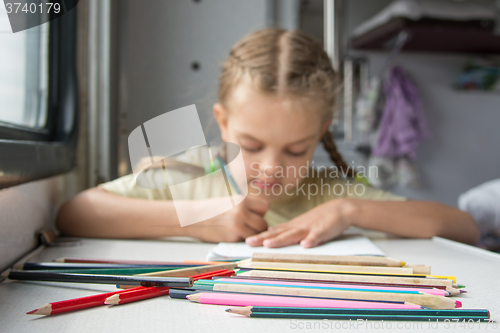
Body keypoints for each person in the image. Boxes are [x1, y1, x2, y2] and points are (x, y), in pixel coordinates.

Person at [56, 28, 480, 247]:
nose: (271, 168)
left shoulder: (327, 195)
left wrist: (350, 208)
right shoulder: (184, 177)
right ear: (222, 122)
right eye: (253, 145)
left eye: (297, 150)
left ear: (320, 133)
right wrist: (201, 218)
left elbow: (464, 228)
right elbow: (75, 213)